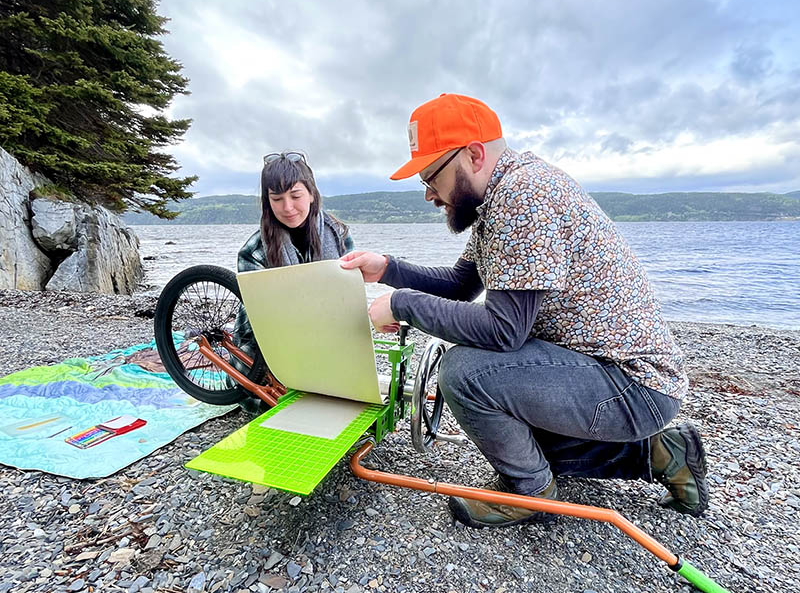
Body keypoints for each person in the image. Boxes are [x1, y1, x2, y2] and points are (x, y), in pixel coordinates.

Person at [342, 93, 708, 528]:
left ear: (473, 155)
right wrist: (388, 269)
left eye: (430, 177)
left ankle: (531, 494)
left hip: (631, 385)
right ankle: (665, 452)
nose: (428, 195)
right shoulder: (501, 197)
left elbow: (503, 333)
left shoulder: (523, 197)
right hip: (613, 374)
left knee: (464, 373)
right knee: (514, 434)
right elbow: (461, 284)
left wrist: (402, 304)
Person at [232, 152, 353, 409]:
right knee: (278, 404)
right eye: (277, 199)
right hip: (267, 339)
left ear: (311, 193)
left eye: (296, 196)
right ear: (268, 202)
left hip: (317, 332)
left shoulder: (339, 236)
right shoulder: (253, 251)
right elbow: (259, 320)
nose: (287, 208)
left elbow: (347, 298)